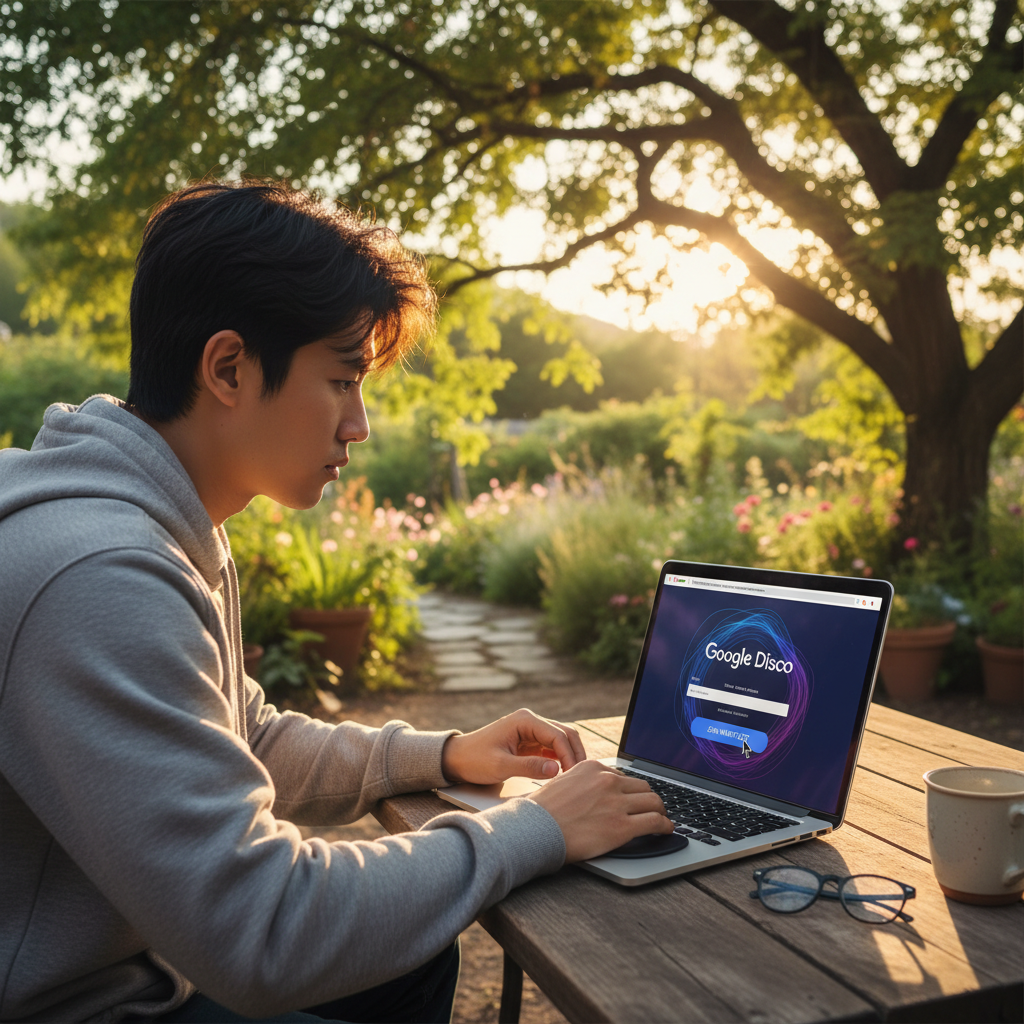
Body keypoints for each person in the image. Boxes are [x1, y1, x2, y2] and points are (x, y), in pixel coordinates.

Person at [0, 180, 672, 1024]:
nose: (360, 426)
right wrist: (536, 832)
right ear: (229, 368)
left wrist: (447, 754)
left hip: (132, 968)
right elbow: (262, 929)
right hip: (67, 1006)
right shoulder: (99, 573)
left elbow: (246, 737)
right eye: (343, 380)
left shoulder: (155, 525)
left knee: (415, 954)